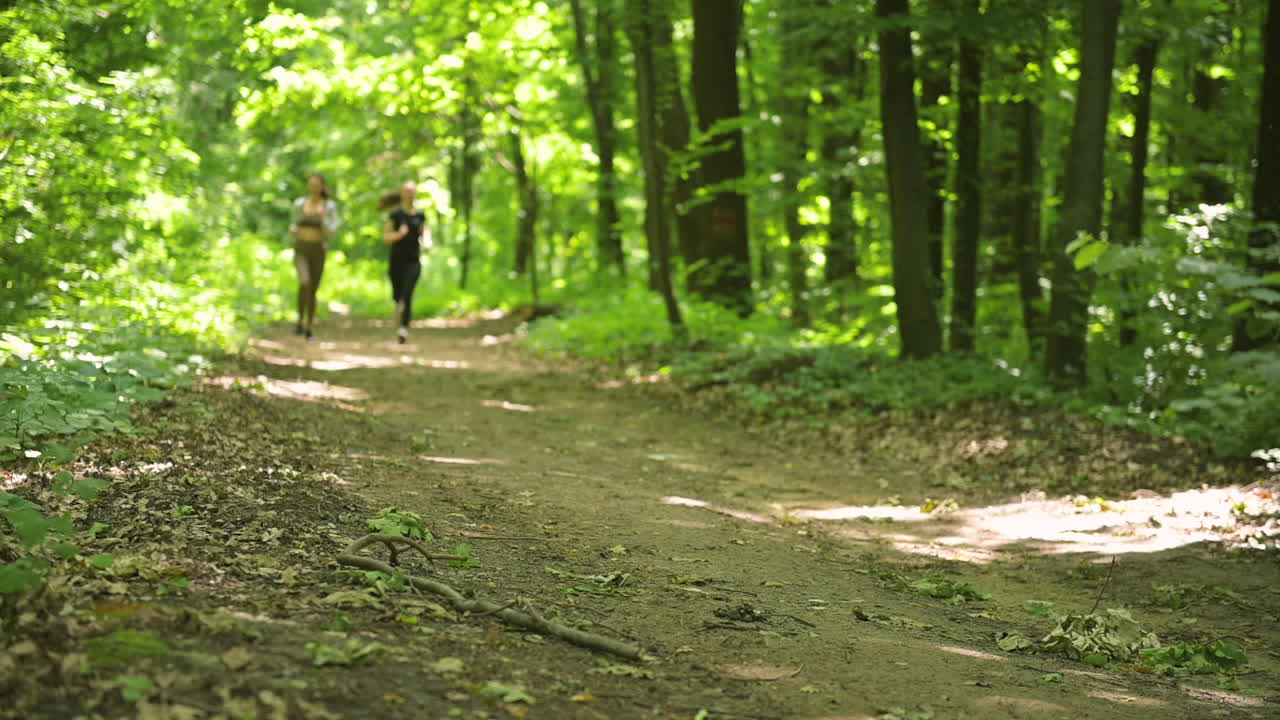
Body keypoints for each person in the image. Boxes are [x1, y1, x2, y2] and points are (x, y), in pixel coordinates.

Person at [288, 173, 340, 342]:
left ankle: (309, 327)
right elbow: (293, 223)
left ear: (322, 186)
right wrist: (294, 230)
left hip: (318, 250)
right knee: (304, 282)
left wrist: (322, 218)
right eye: (311, 184)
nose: (313, 188)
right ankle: (299, 319)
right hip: (301, 249)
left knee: (313, 289)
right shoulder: (300, 204)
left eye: (317, 185)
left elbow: (332, 232)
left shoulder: (329, 206)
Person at [380, 181, 431, 344]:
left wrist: (428, 242)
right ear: (402, 193)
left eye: (412, 191)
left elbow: (426, 232)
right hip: (397, 260)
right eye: (406, 191)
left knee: (408, 293)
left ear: (415, 193)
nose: (409, 194)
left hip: (413, 260)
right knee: (398, 294)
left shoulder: (420, 215)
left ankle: (403, 328)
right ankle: (397, 305)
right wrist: (399, 235)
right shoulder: (396, 214)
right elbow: (385, 237)